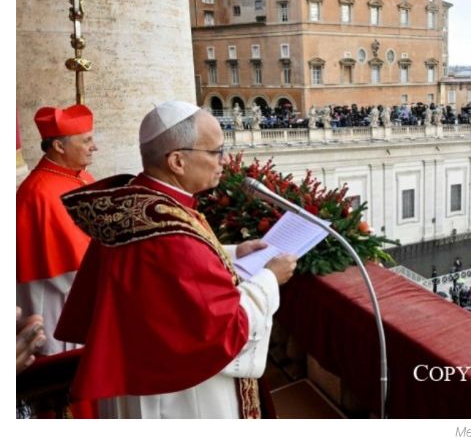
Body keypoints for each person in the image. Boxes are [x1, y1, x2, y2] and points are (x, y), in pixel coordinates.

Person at [55, 102, 299, 419]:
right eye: (215, 151)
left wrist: (234, 251)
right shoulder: (167, 229)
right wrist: (269, 278)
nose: (223, 160)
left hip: (141, 369)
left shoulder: (141, 200)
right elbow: (222, 330)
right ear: (178, 161)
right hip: (180, 395)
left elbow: (170, 265)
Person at [16, 104, 96, 355]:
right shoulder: (37, 192)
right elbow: (63, 268)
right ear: (59, 147)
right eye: (86, 141)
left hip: (87, 295)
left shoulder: (82, 176)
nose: (94, 146)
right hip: (60, 303)